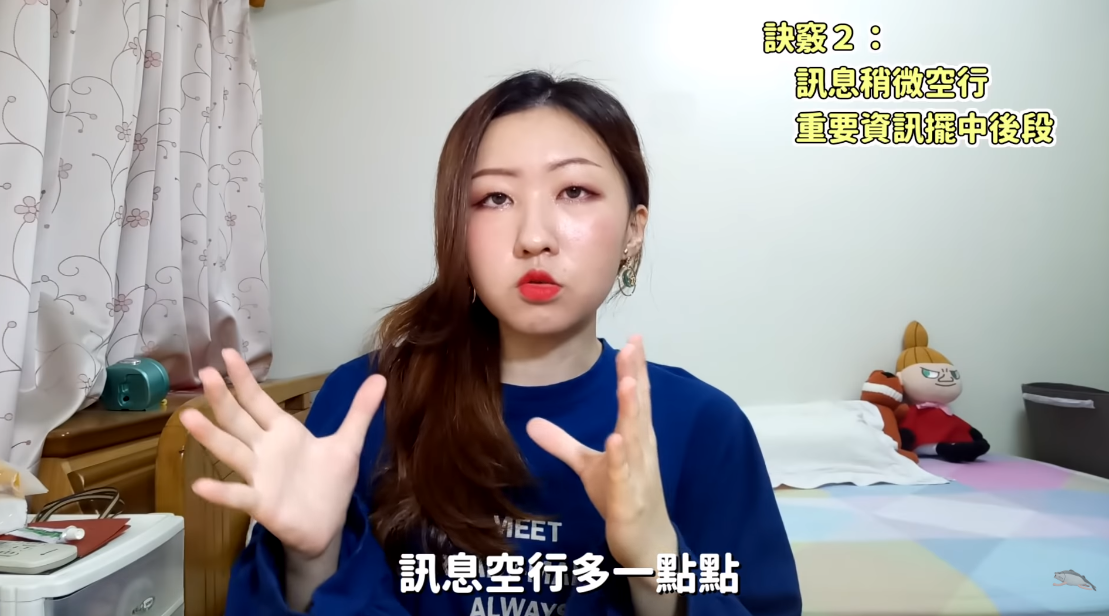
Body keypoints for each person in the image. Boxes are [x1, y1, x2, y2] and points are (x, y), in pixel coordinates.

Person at [181, 70, 802, 616]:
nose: (533, 236)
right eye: (495, 198)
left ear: (634, 231)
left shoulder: (703, 425)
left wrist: (656, 563)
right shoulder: (364, 402)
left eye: (575, 192)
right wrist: (310, 559)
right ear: (458, 229)